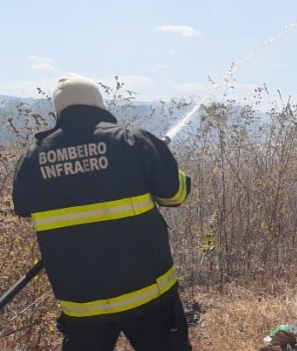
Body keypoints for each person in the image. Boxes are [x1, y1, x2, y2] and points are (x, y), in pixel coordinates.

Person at [12, 73, 193, 351]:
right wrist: (162, 162)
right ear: (98, 103)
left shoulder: (32, 158)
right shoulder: (133, 141)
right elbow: (176, 194)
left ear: (59, 111)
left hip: (82, 304)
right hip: (148, 294)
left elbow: (24, 209)